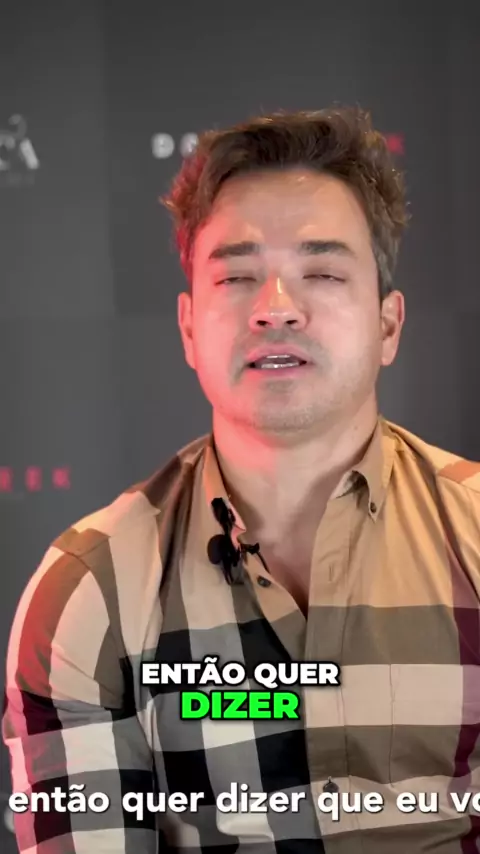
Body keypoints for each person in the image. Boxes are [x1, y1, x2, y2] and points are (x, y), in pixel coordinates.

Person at [3, 106, 480, 854]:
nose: (275, 309)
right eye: (238, 276)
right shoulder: (89, 590)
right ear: (190, 328)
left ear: (388, 325)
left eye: (322, 272)